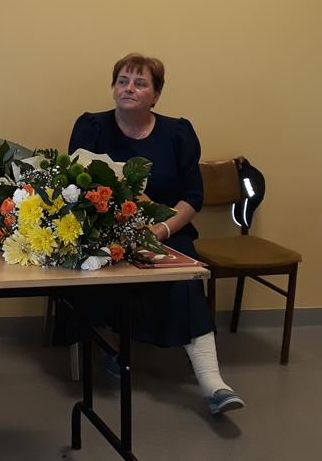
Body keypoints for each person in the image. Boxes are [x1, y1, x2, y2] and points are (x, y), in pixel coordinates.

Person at [65, 52, 245, 415]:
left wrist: (159, 230)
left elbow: (193, 197)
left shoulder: (177, 133)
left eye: (140, 83)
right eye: (122, 81)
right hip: (107, 230)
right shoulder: (91, 127)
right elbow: (77, 188)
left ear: (156, 95)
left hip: (167, 229)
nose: (129, 88)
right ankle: (111, 349)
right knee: (94, 267)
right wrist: (120, 229)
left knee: (183, 276)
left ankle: (212, 382)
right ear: (113, 88)